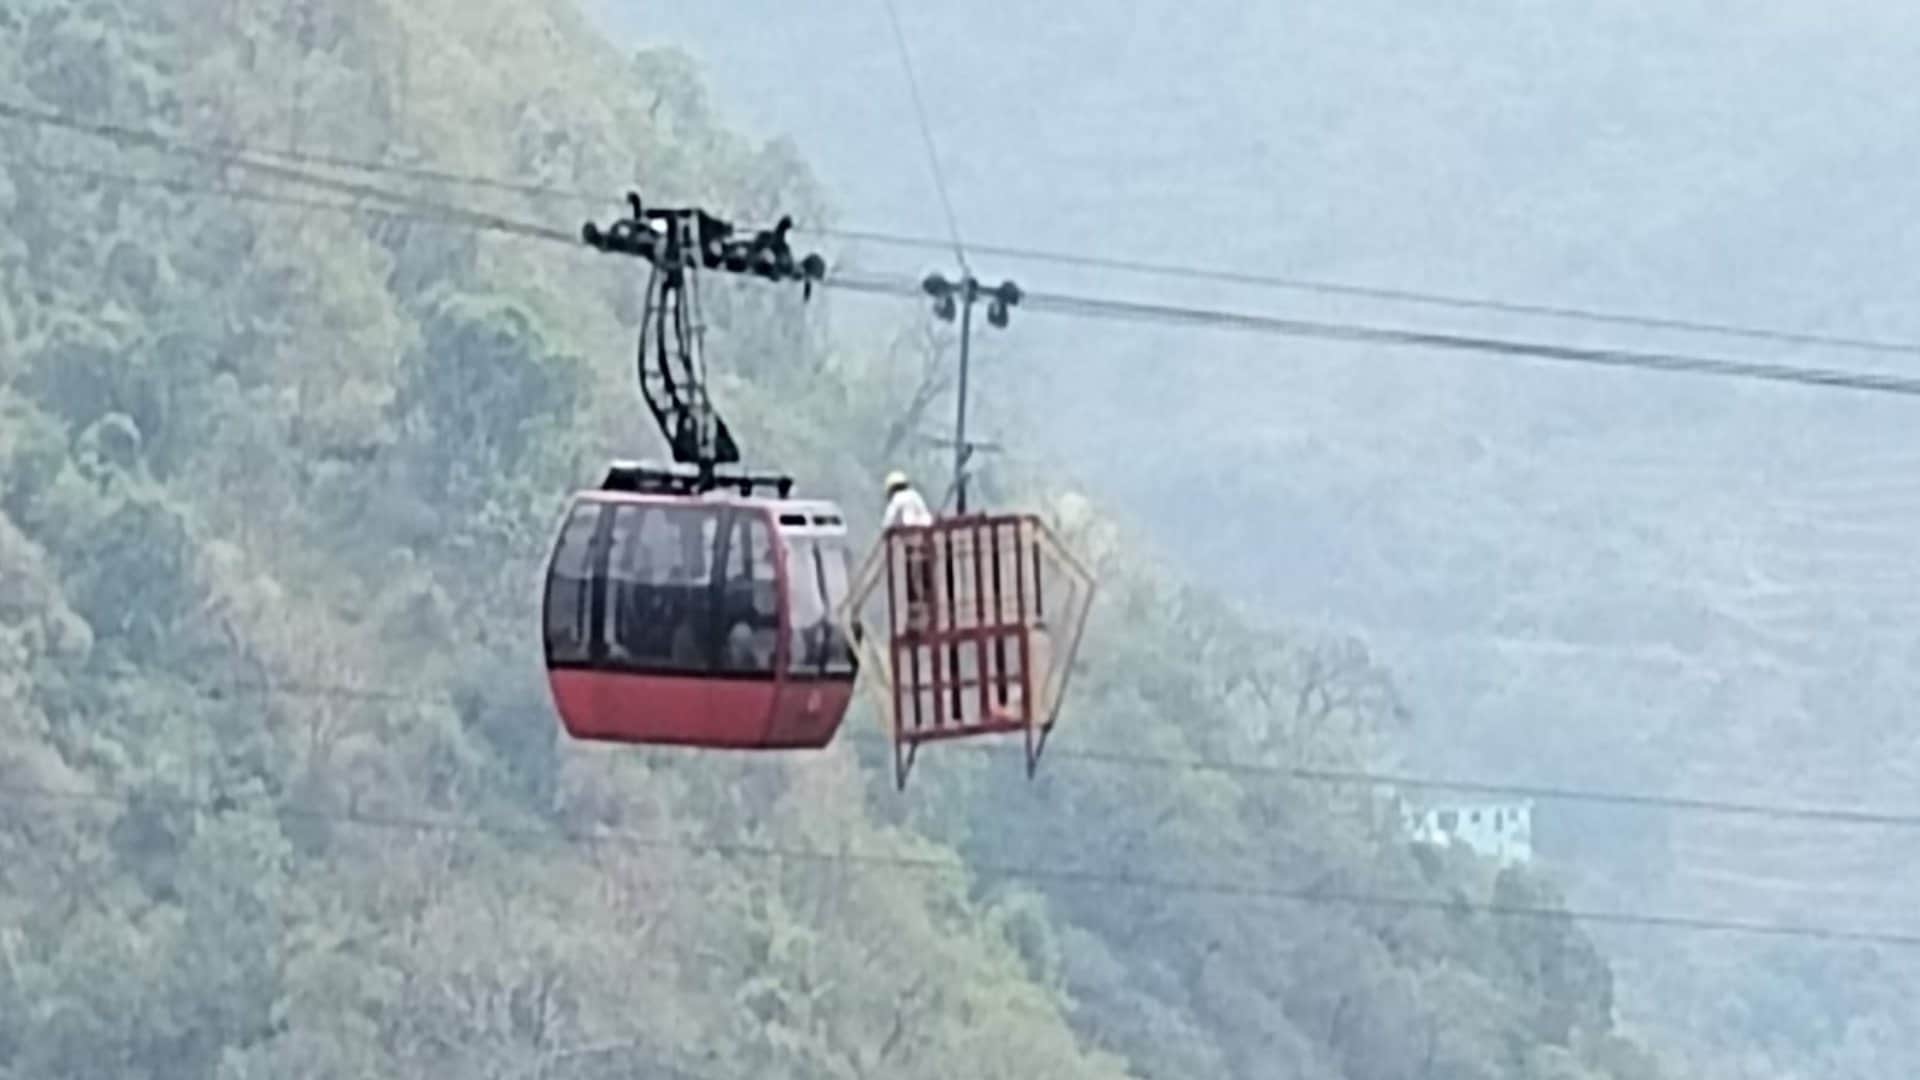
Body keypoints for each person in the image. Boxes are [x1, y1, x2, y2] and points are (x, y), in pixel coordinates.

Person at [881, 470, 935, 634]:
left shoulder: (898, 499)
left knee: (912, 585)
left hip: (912, 546)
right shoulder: (916, 496)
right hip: (927, 542)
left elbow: (888, 523)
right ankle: (929, 618)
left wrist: (887, 535)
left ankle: (915, 623)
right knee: (926, 584)